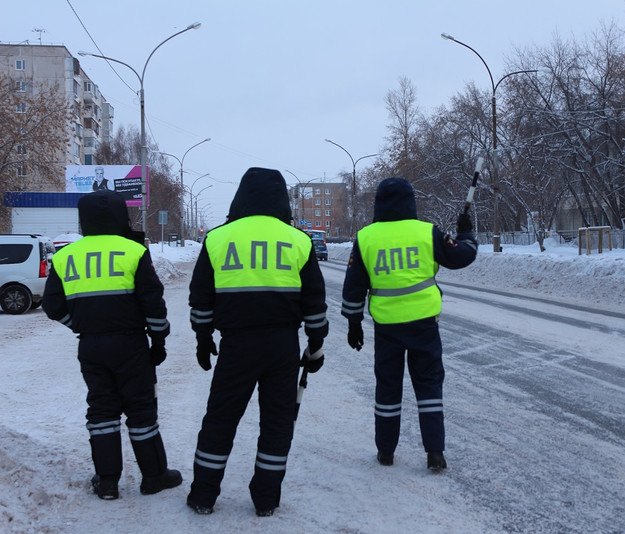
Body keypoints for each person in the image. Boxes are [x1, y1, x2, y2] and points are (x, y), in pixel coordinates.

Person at [186, 167, 328, 517]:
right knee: (278, 423)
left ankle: (204, 495)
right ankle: (265, 498)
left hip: (236, 346)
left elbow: (200, 297)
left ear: (241, 196)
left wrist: (204, 339)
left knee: (220, 420)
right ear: (282, 200)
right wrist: (316, 344)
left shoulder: (218, 238)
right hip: (281, 346)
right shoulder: (298, 240)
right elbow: (314, 300)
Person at [42, 190, 181, 500]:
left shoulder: (65, 256)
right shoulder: (132, 251)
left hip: (91, 346)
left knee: (102, 410)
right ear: (121, 217)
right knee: (141, 410)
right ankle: (154, 477)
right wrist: (158, 341)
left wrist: (79, 326)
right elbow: (153, 304)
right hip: (131, 344)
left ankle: (107, 482)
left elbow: (53, 307)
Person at [341, 177, 477, 472]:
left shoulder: (366, 237)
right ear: (410, 202)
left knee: (388, 388)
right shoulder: (427, 232)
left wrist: (354, 323)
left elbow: (353, 287)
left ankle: (386, 451)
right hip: (424, 325)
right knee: (429, 385)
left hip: (387, 327)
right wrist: (466, 235)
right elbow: (461, 256)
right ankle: (435, 453)